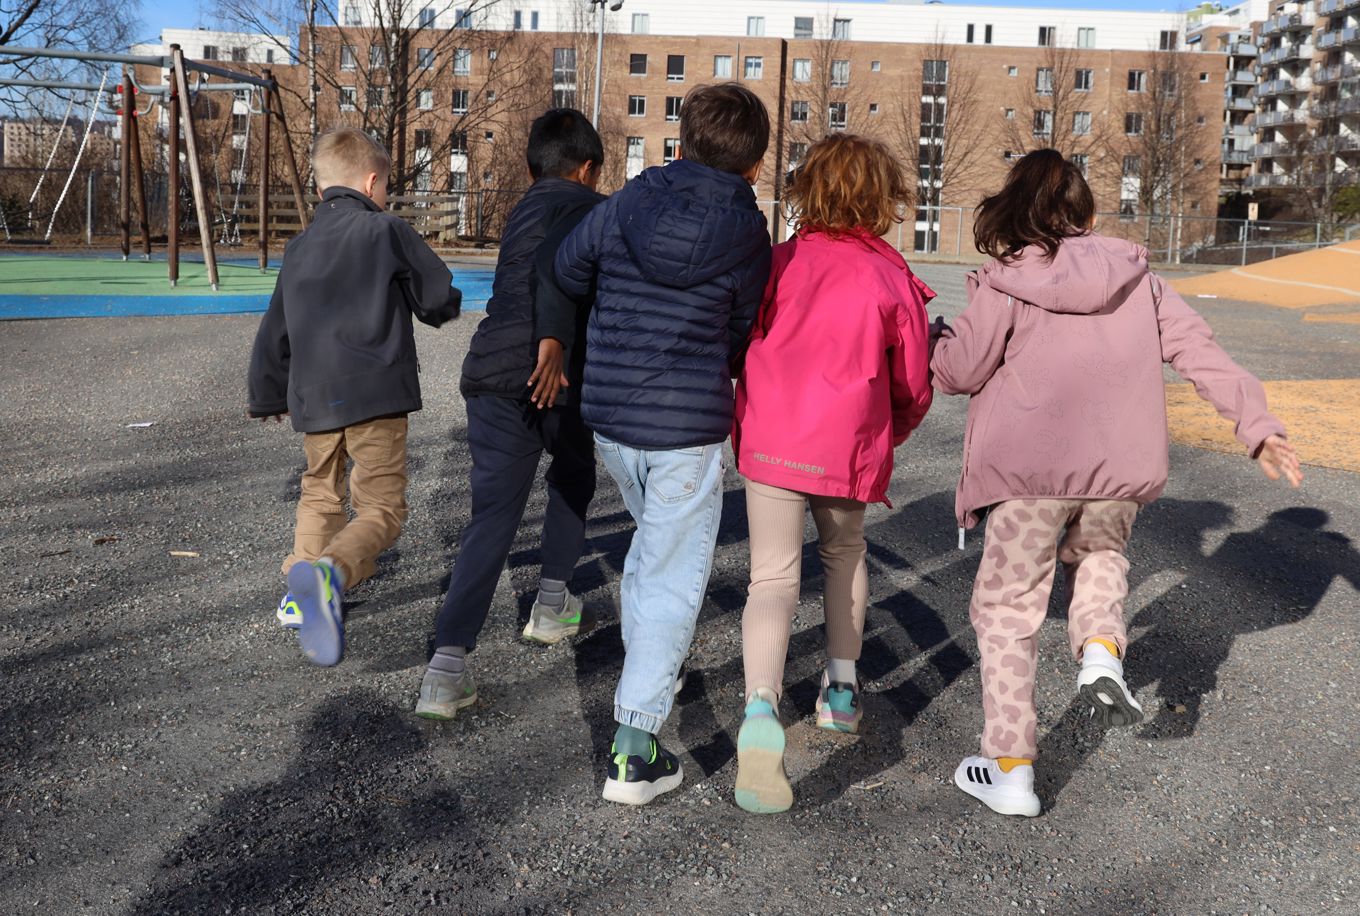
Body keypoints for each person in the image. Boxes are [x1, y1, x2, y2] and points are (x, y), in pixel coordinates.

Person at [930, 149, 1302, 817]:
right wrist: (1258, 426)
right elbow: (1200, 352)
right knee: (1101, 555)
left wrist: (937, 341)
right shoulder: (1141, 281)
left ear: (1016, 207)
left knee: (1008, 611)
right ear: (1086, 210)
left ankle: (1011, 767)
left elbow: (957, 371)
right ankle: (1101, 649)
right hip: (1115, 474)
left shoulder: (1007, 281)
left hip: (1027, 475)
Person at [553, 82, 773, 805]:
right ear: (754, 164)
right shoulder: (749, 236)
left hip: (613, 413)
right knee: (671, 575)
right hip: (685, 425)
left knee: (654, 555)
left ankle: (651, 671)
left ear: (682, 141)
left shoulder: (626, 204)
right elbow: (741, 328)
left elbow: (567, 266)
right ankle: (634, 748)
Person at [727, 134, 934, 814]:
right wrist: (888, 432)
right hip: (846, 448)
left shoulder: (777, 263)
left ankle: (761, 705)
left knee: (772, 578)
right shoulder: (890, 276)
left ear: (805, 192)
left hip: (774, 442)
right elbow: (912, 382)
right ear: (883, 199)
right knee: (845, 554)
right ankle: (840, 690)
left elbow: (740, 343)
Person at [415, 108, 607, 720]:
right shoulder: (586, 206)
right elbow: (565, 270)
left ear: (530, 169)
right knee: (574, 476)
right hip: (556, 368)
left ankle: (445, 668)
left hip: (491, 370)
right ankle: (551, 603)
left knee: (492, 517)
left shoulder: (521, 209)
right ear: (587, 169)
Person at [248, 127, 461, 667]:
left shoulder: (298, 248)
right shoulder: (385, 229)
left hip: (314, 398)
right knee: (382, 507)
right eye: (384, 186)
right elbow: (434, 294)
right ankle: (330, 573)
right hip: (375, 393)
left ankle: (300, 593)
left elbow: (276, 328)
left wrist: (268, 392)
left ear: (322, 188)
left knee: (320, 492)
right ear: (371, 182)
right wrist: (443, 308)